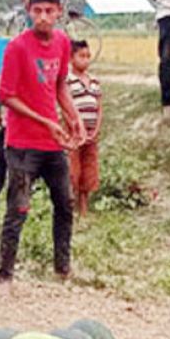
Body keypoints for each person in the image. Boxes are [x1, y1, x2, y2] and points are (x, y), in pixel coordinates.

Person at [0, 0, 85, 288]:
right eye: (37, 12)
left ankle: (62, 268)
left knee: (64, 203)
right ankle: (5, 273)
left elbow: (59, 85)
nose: (43, 17)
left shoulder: (62, 42)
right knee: (18, 207)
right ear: (29, 12)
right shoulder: (17, 47)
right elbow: (6, 96)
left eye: (49, 11)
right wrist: (46, 122)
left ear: (59, 12)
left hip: (52, 143)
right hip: (22, 144)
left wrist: (74, 118)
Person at [66, 39, 103, 217]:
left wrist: (95, 130)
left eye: (88, 56)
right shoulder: (67, 81)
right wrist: (74, 127)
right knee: (73, 168)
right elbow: (66, 106)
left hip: (91, 133)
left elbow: (99, 107)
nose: (86, 60)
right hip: (73, 133)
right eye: (81, 56)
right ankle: (70, 203)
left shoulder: (94, 81)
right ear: (71, 58)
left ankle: (84, 204)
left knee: (89, 166)